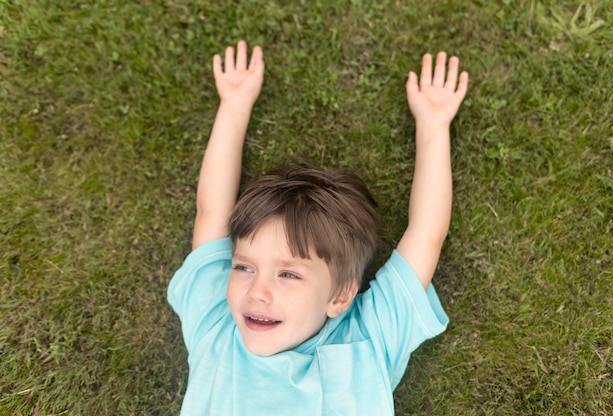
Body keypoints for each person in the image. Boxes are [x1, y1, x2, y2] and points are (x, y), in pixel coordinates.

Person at [168, 40, 468, 415]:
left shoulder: (367, 340)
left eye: (289, 274)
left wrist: (434, 126)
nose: (256, 292)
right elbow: (211, 213)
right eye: (244, 267)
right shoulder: (216, 322)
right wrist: (233, 106)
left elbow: (426, 233)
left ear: (340, 297)